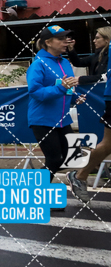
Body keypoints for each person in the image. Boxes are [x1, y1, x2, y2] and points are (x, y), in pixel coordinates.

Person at [27, 25, 87, 201]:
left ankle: (69, 178)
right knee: (54, 158)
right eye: (61, 39)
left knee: (73, 157)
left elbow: (66, 87)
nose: (66, 41)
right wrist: (61, 88)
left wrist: (75, 97)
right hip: (42, 120)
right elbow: (35, 92)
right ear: (48, 42)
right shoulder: (38, 64)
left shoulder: (65, 62)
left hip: (62, 119)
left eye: (66, 38)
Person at [68, 28, 111, 201]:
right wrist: (71, 50)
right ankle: (80, 175)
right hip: (108, 97)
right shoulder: (100, 55)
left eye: (97, 38)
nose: (94, 41)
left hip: (105, 96)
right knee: (107, 144)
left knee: (107, 144)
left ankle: (80, 176)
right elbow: (80, 63)